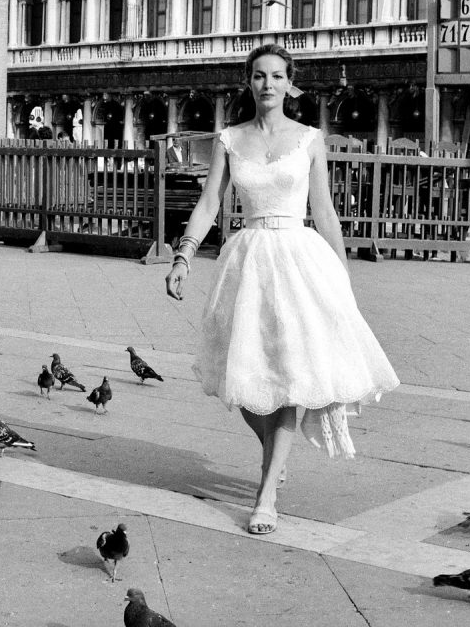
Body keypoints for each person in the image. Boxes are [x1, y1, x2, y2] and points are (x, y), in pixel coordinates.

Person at [164, 44, 399, 536]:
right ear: (247, 82)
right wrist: (184, 254)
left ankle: (266, 492)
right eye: (257, 76)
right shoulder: (229, 139)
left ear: (289, 83)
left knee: (292, 373)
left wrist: (342, 273)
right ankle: (274, 451)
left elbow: (325, 211)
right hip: (247, 261)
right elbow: (210, 203)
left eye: (276, 76)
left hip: (298, 257)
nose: (266, 84)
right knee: (245, 377)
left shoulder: (311, 139)